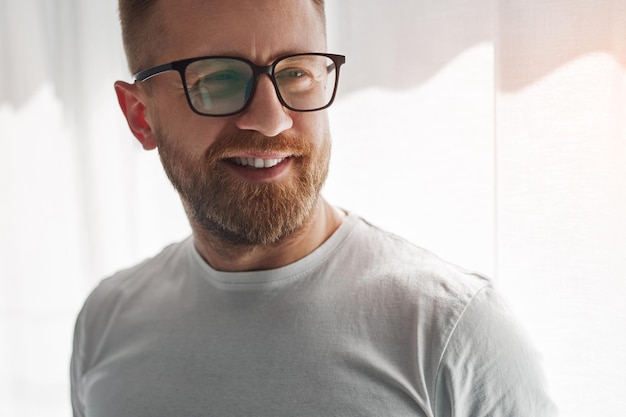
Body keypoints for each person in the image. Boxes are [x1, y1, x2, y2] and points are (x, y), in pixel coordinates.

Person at [70, 0, 557, 415]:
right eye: (218, 78)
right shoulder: (106, 325)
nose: (270, 119)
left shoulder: (452, 332)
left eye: (297, 72)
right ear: (141, 115)